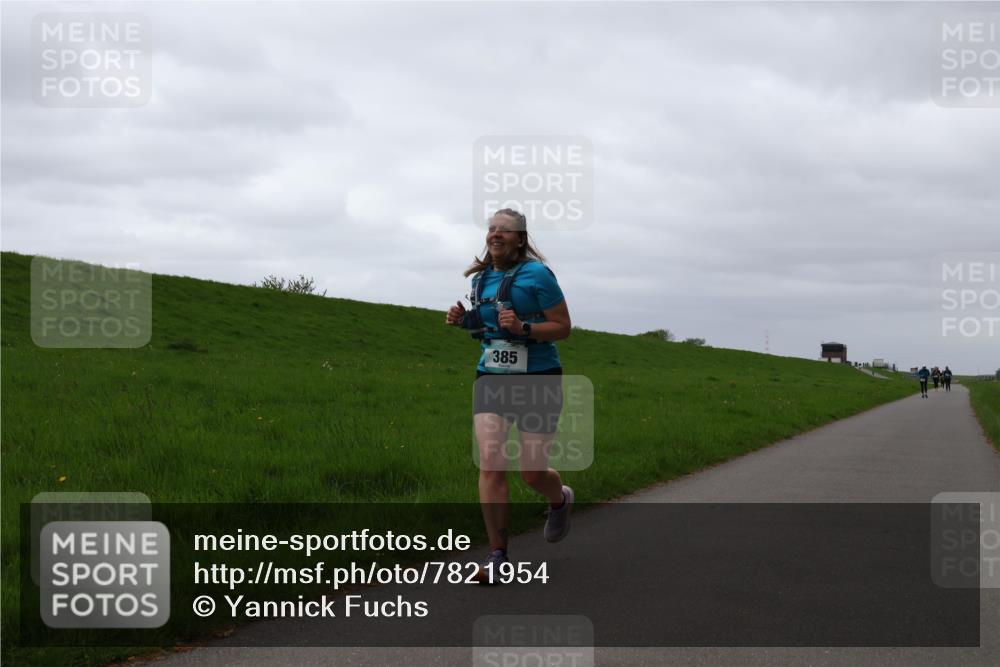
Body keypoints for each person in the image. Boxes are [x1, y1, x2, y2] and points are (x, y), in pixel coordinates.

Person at [444, 208, 573, 583]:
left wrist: (524, 327)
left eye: (505, 230)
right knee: (490, 459)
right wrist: (463, 319)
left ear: (520, 238)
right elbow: (487, 330)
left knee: (532, 473)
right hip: (492, 378)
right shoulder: (482, 278)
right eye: (491, 228)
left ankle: (559, 499)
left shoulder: (538, 275)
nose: (495, 234)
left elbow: (563, 327)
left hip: (539, 379)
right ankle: (498, 557)